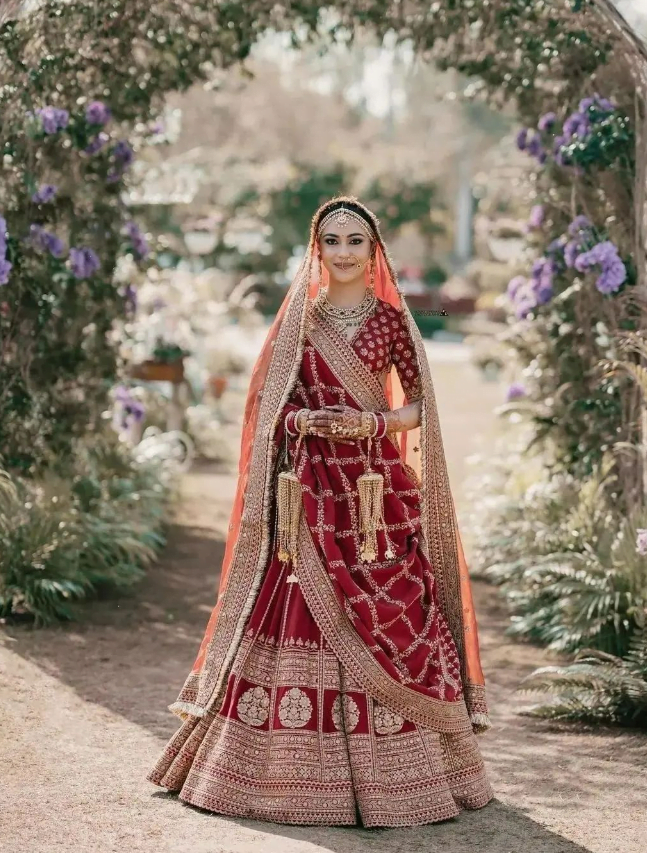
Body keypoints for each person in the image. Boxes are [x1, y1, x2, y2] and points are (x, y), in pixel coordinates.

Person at [147, 196, 494, 827]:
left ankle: (409, 778)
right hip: (308, 490)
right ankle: (273, 774)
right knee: (294, 599)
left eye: (354, 241)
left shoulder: (391, 322)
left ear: (373, 250)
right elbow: (268, 409)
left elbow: (422, 408)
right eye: (331, 240)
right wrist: (305, 419)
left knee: (395, 600)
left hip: (373, 488)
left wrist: (374, 421)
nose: (342, 252)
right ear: (317, 247)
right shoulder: (299, 324)